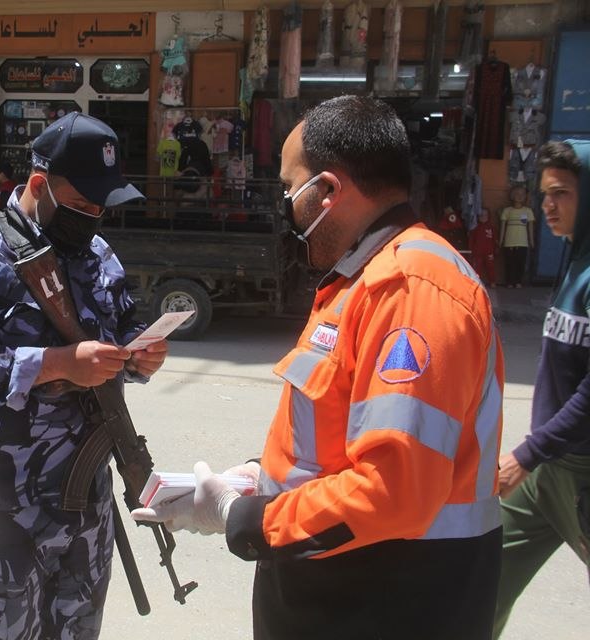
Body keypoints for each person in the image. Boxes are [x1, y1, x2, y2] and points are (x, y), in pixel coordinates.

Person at [132, 95, 505, 640]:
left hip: (391, 602)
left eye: (290, 188)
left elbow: (394, 492)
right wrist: (258, 477)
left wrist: (246, 519)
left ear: (328, 192)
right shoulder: (361, 281)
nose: (288, 204)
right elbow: (336, 436)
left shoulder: (411, 291)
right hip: (347, 595)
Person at [0, 112, 166, 639]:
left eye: (101, 207)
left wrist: (142, 353)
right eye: (81, 205)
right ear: (38, 184)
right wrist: (52, 364)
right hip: (5, 506)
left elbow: (125, 324)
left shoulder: (98, 254)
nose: (93, 217)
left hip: (86, 501)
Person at [493, 140, 590, 636]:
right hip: (547, 471)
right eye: (544, 193)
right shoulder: (574, 262)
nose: (547, 205)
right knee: (484, 577)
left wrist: (528, 454)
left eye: (563, 193)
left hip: (579, 473)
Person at [500, 185, 535, 288]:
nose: (519, 196)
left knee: (520, 262)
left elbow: (530, 228)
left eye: (522, 194)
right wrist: (501, 240)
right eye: (516, 193)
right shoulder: (507, 211)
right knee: (509, 262)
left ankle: (518, 281)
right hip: (509, 241)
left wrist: (531, 241)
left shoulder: (528, 211)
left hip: (522, 242)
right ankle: (509, 282)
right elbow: (503, 227)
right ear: (511, 195)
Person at [470, 206, 499, 287]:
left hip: (489, 252)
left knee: (491, 267)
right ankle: (476, 282)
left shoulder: (492, 228)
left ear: (488, 216)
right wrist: (472, 250)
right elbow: (471, 240)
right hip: (477, 252)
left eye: (485, 215)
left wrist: (496, 249)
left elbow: (495, 240)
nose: (483, 217)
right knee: (477, 268)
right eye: (481, 215)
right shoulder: (475, 228)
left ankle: (492, 282)